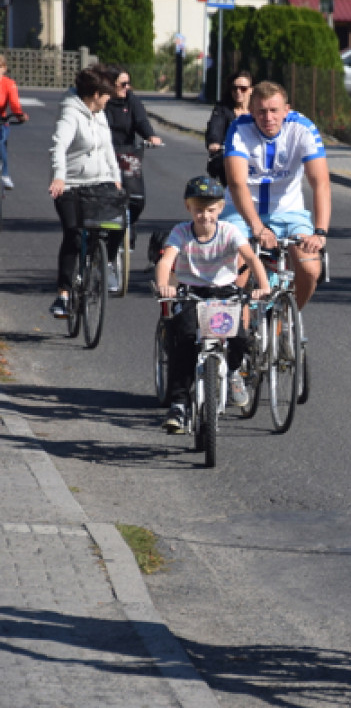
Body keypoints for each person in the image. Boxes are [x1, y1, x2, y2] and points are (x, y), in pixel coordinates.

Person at [154, 176, 270, 433]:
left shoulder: (229, 231)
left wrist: (263, 287)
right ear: (188, 208)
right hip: (190, 293)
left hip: (224, 293)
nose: (204, 216)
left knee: (239, 338)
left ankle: (233, 373)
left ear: (220, 208)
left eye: (210, 210)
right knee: (183, 341)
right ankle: (179, 405)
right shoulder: (181, 232)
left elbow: (251, 258)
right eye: (198, 209)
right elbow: (165, 262)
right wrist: (166, 286)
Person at [221, 80, 329, 310]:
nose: (268, 118)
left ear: (286, 110)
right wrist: (257, 227)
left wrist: (320, 232)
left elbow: (320, 182)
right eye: (261, 111)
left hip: (288, 212)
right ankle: (242, 334)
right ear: (252, 111)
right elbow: (236, 182)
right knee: (239, 270)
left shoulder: (303, 128)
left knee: (311, 269)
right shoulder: (239, 128)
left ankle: (287, 320)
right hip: (241, 211)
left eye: (274, 111)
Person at [48, 65, 121, 319]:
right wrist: (59, 176)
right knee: (74, 234)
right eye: (106, 94)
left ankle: (102, 264)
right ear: (95, 94)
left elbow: (108, 148)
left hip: (99, 182)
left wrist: (116, 178)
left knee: (117, 223)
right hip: (70, 185)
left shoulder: (99, 113)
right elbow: (58, 146)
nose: (109, 99)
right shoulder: (70, 114)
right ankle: (64, 295)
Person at [102, 65, 163, 284]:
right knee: (106, 198)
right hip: (103, 156)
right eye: (122, 84)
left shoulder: (131, 101)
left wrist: (151, 136)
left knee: (137, 199)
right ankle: (104, 247)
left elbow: (141, 121)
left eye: (128, 84)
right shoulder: (103, 101)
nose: (127, 88)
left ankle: (130, 225)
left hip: (128, 155)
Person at [204, 69, 253, 185]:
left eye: (243, 88)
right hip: (231, 160)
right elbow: (216, 126)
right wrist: (214, 142)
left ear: (251, 90)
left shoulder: (257, 111)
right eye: (234, 88)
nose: (238, 91)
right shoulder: (223, 109)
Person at [0, 54, 29, 189]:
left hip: (1, 120)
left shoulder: (9, 84)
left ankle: (5, 174)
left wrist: (19, 115)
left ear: (4, 68)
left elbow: (14, 103)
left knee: (1, 140)